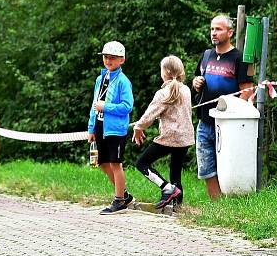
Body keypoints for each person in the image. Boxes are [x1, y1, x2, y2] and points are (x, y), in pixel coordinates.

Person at [192, 15, 253, 200]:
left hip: (227, 124)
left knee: (228, 165)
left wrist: (232, 117)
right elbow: (196, 81)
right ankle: (217, 206)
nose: (214, 33)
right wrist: (196, 83)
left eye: (218, 29)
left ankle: (230, 205)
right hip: (205, 121)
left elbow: (247, 91)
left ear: (230, 32)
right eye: (212, 29)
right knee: (206, 168)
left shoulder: (240, 58)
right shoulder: (206, 55)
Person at [132, 56, 194, 209]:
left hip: (170, 138)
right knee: (175, 171)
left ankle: (166, 188)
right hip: (185, 138)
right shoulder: (185, 90)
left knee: (141, 163)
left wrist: (138, 128)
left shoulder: (163, 93)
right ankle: (177, 206)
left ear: (165, 72)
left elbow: (149, 115)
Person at [87, 41, 134, 215]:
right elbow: (94, 104)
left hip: (115, 129)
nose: (108, 61)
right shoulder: (101, 79)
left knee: (115, 163)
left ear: (122, 60)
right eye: (106, 57)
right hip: (100, 126)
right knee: (102, 163)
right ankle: (124, 194)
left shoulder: (123, 81)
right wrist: (91, 128)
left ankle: (119, 201)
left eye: (112, 58)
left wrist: (105, 107)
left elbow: (127, 106)